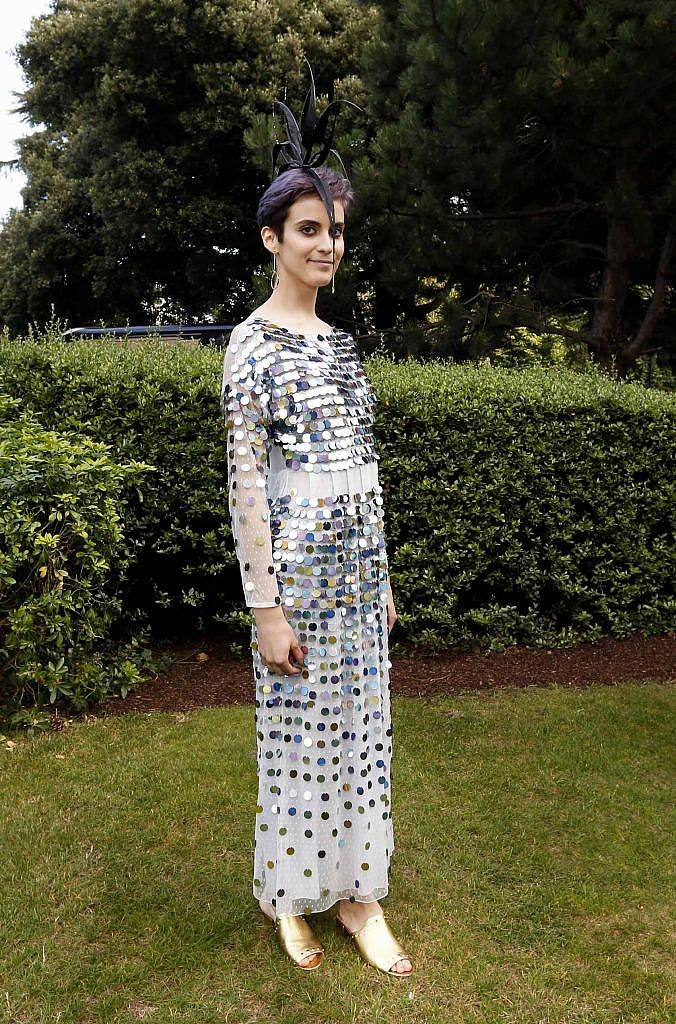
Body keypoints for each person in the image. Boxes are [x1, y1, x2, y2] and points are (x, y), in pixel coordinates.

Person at [220, 64, 413, 977]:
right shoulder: (250, 345)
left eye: (335, 231)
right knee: (298, 744)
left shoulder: (342, 345)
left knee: (362, 739)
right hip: (294, 584)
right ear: (271, 237)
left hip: (354, 581)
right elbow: (247, 485)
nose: (326, 245)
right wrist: (266, 608)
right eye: (308, 230)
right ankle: (286, 896)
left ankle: (358, 897)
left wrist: (381, 583)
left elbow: (364, 472)